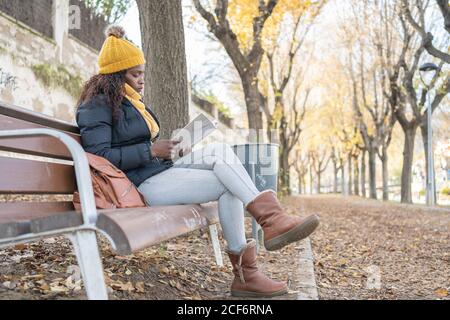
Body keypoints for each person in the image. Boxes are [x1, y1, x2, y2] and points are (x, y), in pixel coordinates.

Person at [76, 25, 320, 298]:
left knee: (220, 153)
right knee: (228, 183)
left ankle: (266, 233)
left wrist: (173, 149)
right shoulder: (96, 104)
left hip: (156, 171)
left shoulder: (131, 102)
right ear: (116, 76)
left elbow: (137, 145)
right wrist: (152, 151)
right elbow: (99, 158)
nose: (142, 79)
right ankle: (257, 254)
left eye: (143, 73)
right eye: (135, 74)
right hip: (136, 186)